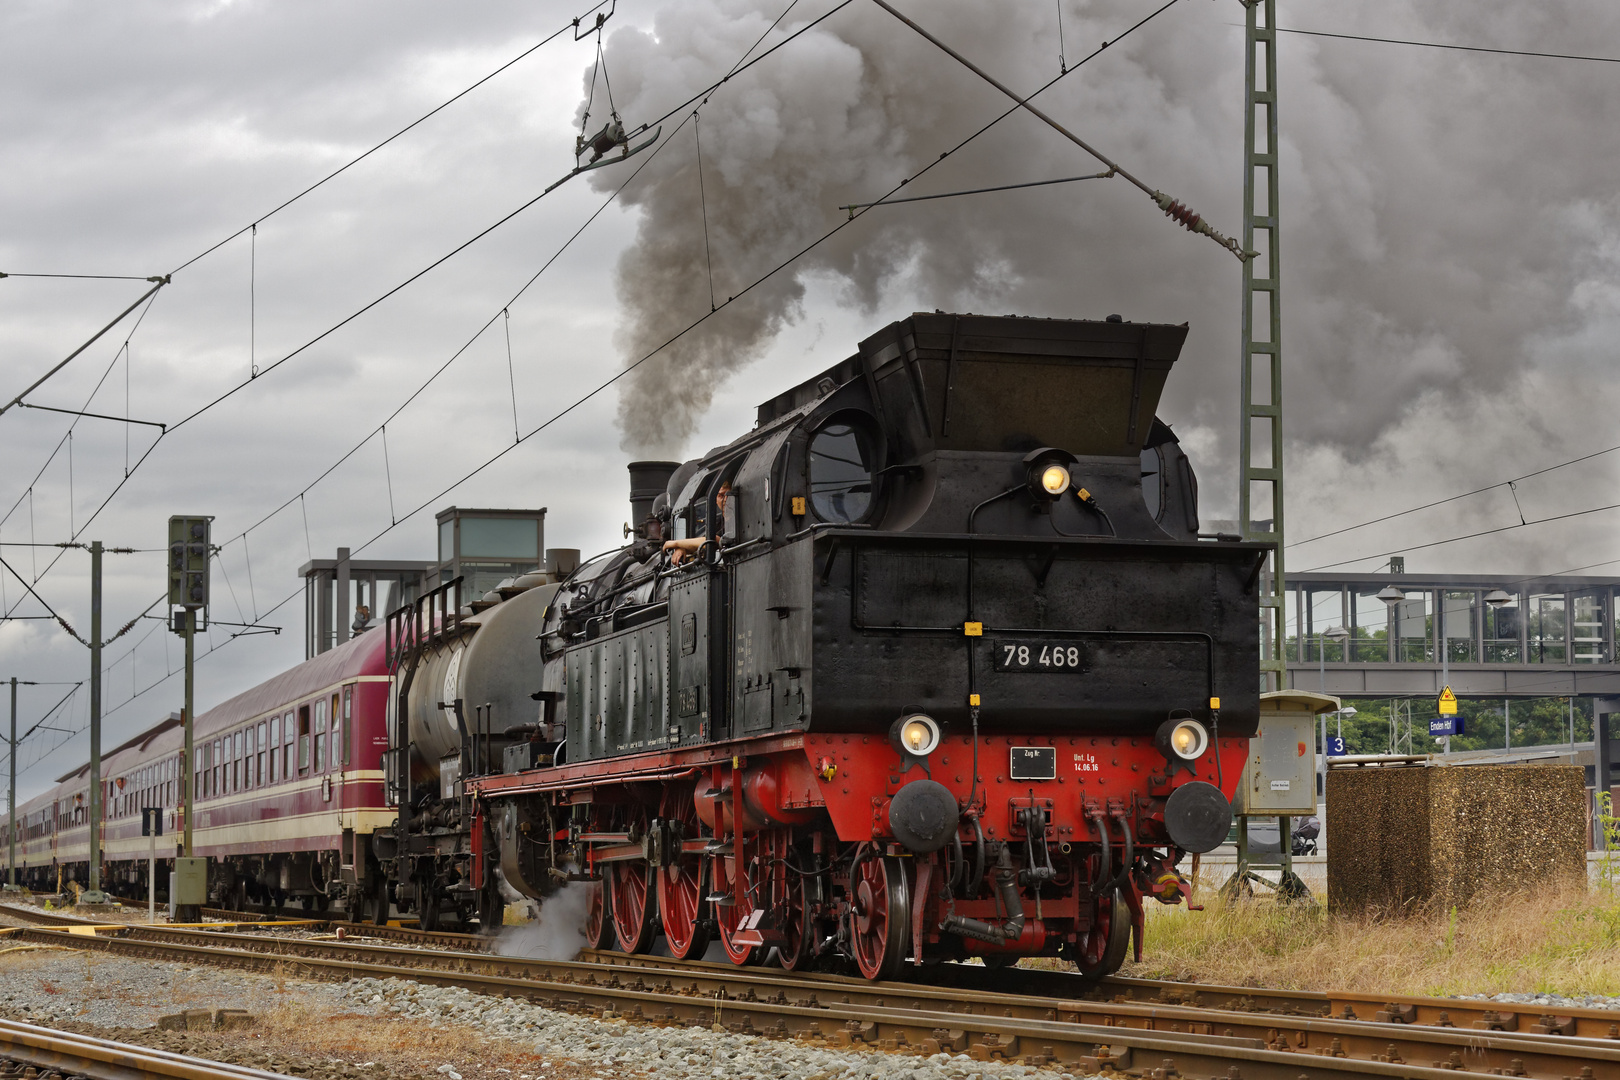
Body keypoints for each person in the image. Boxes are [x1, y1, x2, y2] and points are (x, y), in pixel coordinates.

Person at [664, 481, 729, 566]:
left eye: (727, 495)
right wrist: (683, 548)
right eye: (720, 496)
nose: (724, 500)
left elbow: (714, 540)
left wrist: (675, 543)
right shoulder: (718, 522)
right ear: (716, 499)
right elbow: (704, 542)